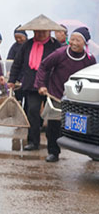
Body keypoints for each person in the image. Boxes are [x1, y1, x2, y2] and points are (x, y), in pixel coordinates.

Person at [36, 27, 95, 162]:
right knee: (53, 125)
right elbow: (44, 66)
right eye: (72, 39)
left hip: (78, 98)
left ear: (85, 43)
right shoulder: (60, 53)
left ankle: (91, 151)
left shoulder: (90, 59)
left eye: (77, 40)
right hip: (57, 94)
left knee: (87, 125)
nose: (73, 43)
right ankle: (53, 152)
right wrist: (42, 85)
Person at [8, 16, 63, 151]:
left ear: (49, 32)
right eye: (37, 32)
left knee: (52, 115)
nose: (40, 34)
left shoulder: (56, 45)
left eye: (43, 32)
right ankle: (33, 141)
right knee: (32, 111)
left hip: (51, 85)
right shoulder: (27, 44)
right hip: (32, 83)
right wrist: (11, 80)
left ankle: (54, 144)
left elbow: (62, 64)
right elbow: (17, 63)